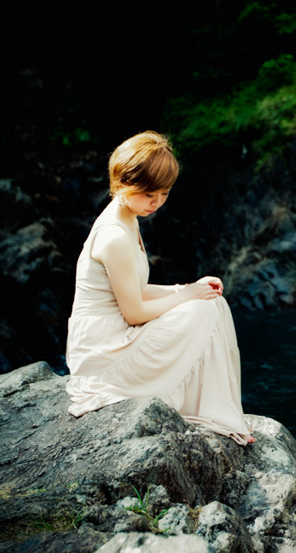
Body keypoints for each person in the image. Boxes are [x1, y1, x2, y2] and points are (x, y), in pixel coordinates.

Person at [65, 131, 254, 445]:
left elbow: (134, 288)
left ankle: (222, 410)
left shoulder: (127, 214)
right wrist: (186, 296)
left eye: (164, 194)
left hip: (116, 338)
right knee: (203, 310)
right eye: (149, 194)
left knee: (213, 302)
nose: (156, 203)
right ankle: (211, 413)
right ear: (123, 182)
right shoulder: (115, 236)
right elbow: (135, 312)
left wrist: (187, 288)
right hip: (105, 356)